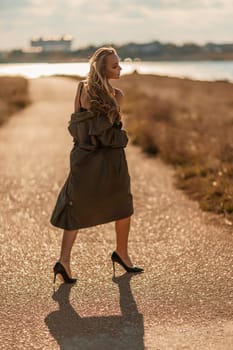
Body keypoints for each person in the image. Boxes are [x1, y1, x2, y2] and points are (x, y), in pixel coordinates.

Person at [50, 47, 143, 284]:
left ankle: (64, 261)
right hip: (110, 159)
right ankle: (121, 253)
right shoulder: (116, 95)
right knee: (122, 203)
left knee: (75, 204)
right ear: (103, 70)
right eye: (115, 66)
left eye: (119, 64)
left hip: (83, 156)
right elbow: (108, 132)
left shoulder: (81, 88)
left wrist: (81, 149)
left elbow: (77, 124)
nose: (120, 68)